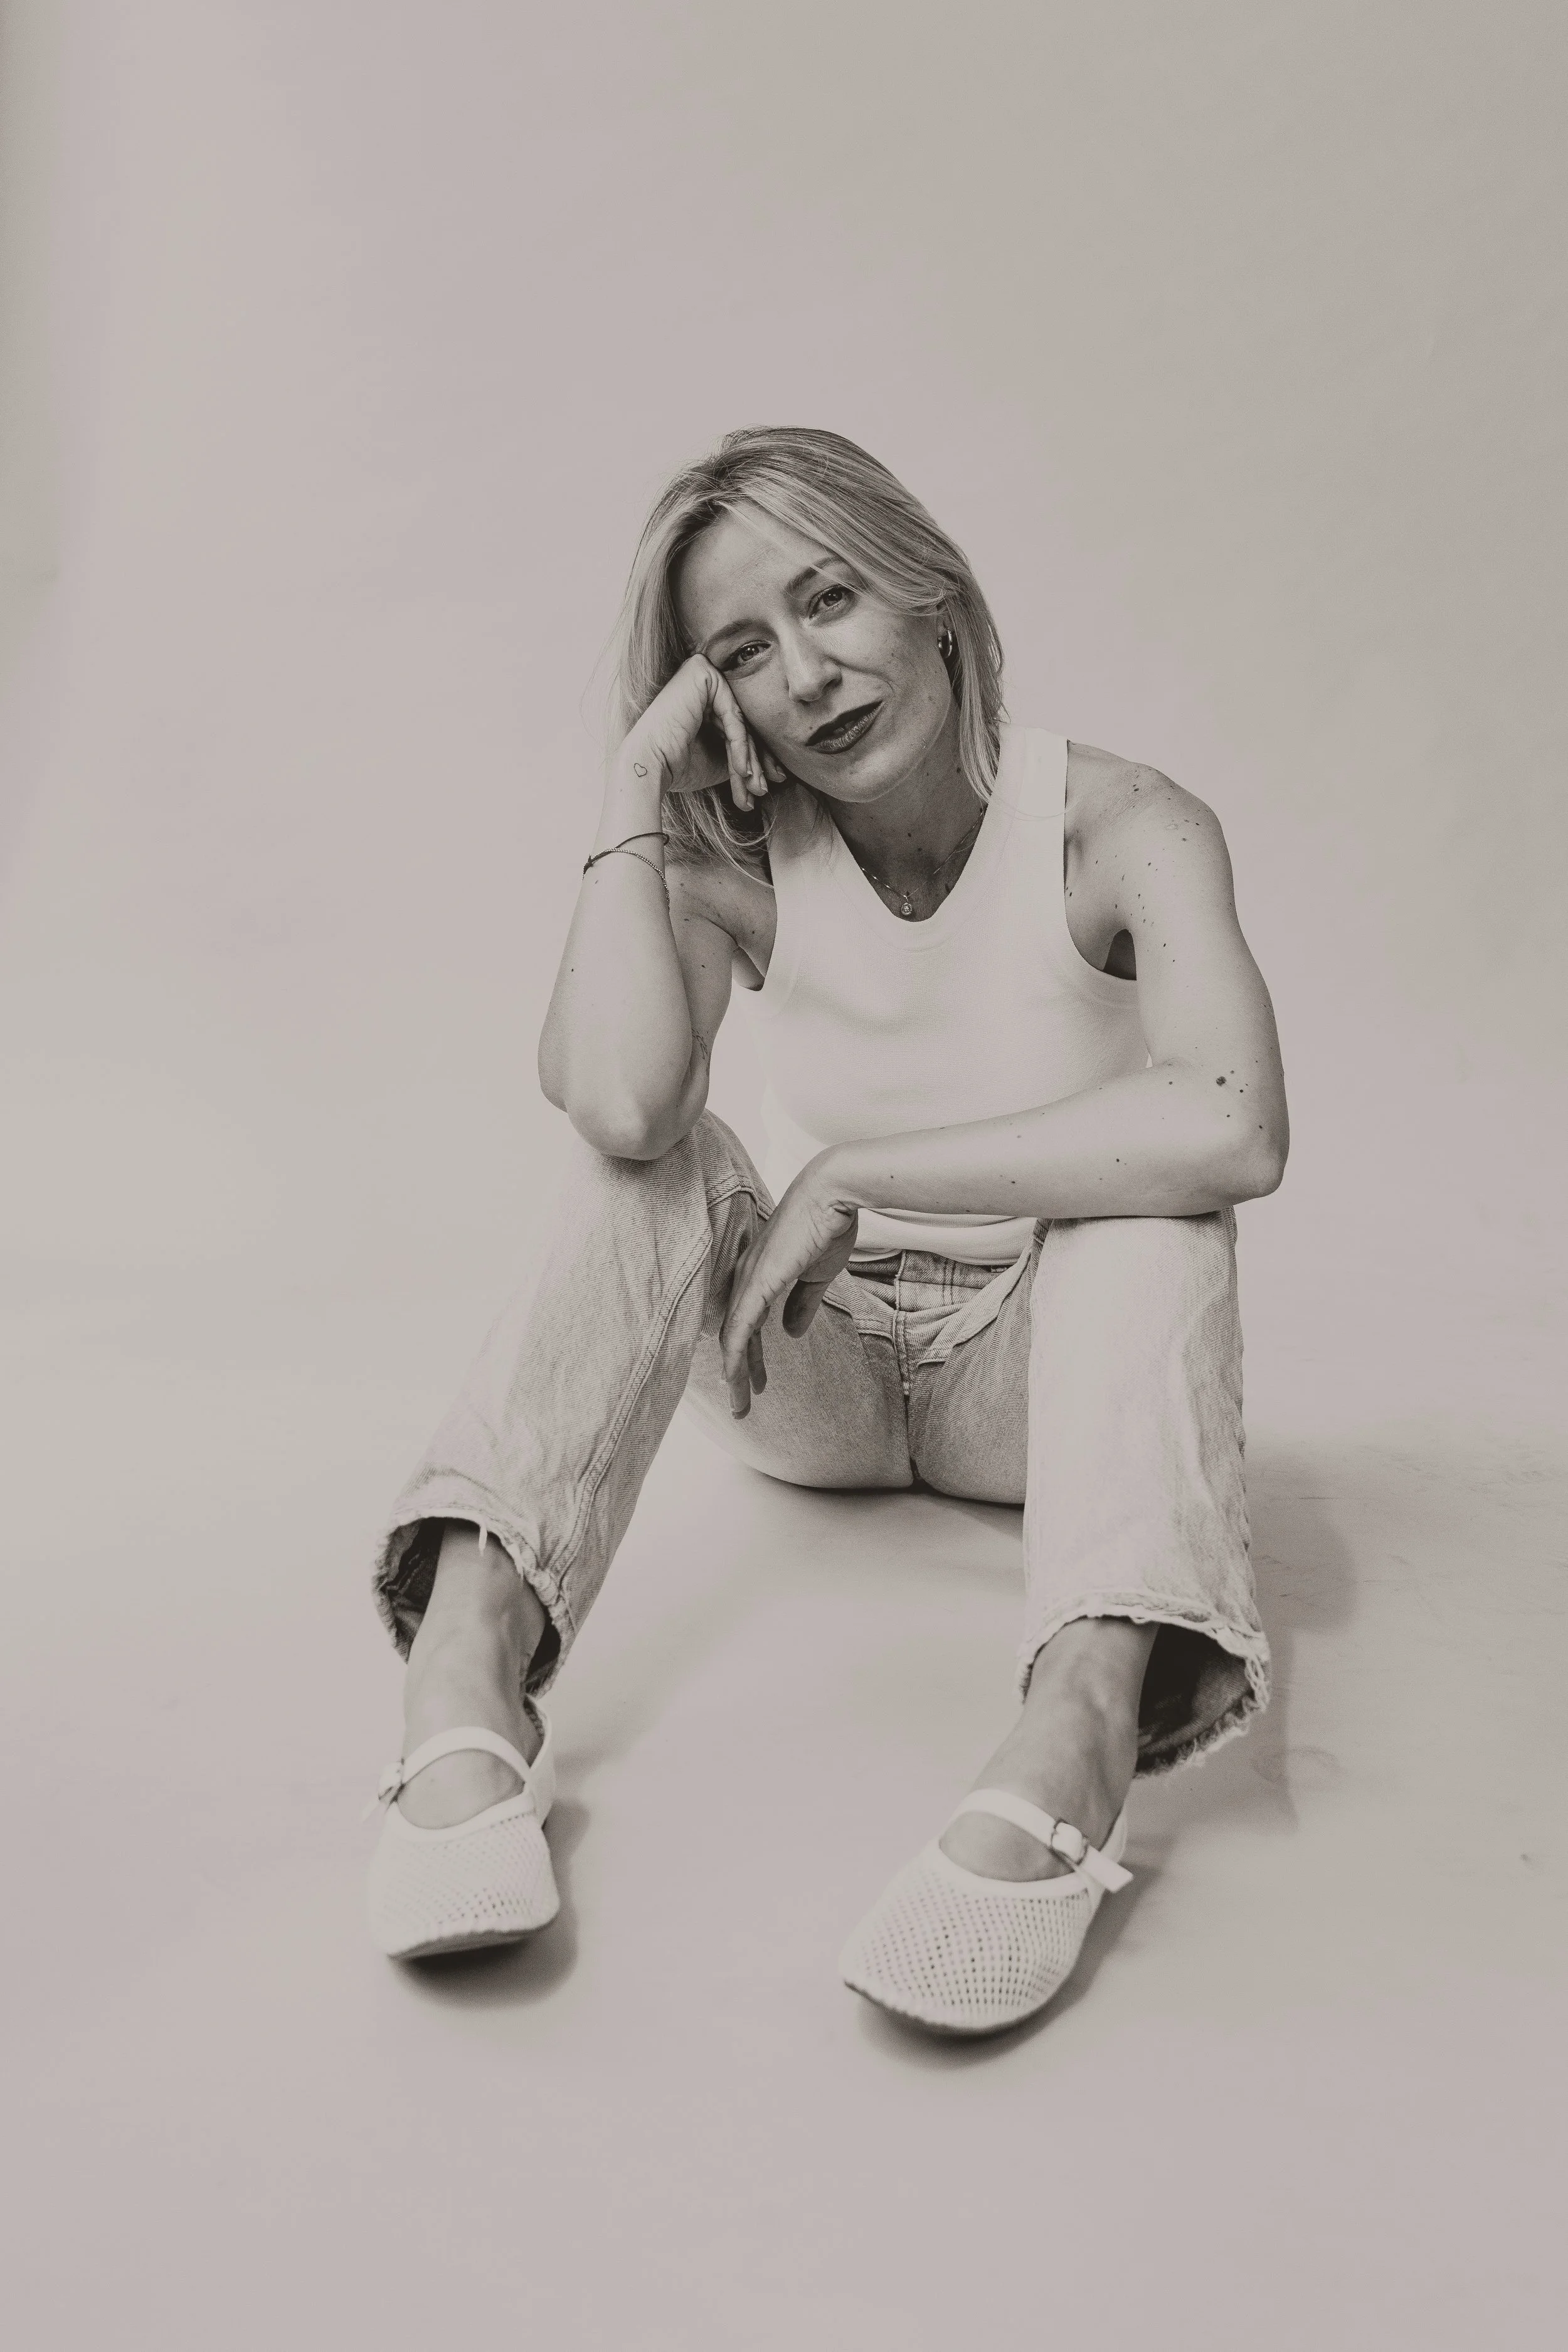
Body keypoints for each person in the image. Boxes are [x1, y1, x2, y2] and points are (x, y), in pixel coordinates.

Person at [364, 426, 1288, 2036]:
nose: (807, 673)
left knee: (1162, 1214)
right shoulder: (739, 859)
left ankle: (1075, 1725)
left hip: (1030, 1394)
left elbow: (1233, 1120)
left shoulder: (1119, 824)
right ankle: (465, 1668)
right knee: (648, 1166)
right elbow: (617, 1109)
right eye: (742, 649)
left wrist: (862, 1168)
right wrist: (631, 793)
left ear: (929, 593)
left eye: (831, 599)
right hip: (809, 1373)